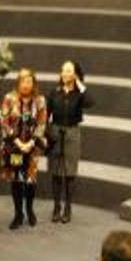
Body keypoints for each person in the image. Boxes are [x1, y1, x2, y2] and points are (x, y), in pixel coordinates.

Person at [0, 68, 48, 230]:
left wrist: (31, 142)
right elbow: (4, 122)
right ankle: (18, 214)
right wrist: (19, 143)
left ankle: (30, 210)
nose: (26, 85)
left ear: (33, 84)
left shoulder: (40, 100)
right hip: (15, 148)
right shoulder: (9, 98)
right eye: (23, 82)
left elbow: (42, 123)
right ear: (18, 83)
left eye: (29, 82)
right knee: (17, 179)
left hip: (33, 149)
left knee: (30, 180)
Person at [46, 60, 94, 224]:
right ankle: (56, 207)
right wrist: (46, 135)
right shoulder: (54, 92)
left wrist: (80, 84)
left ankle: (68, 207)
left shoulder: (80, 94)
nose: (65, 74)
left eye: (69, 71)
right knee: (56, 173)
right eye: (63, 70)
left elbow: (90, 102)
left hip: (73, 133)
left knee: (70, 173)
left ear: (75, 74)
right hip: (55, 132)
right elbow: (46, 114)